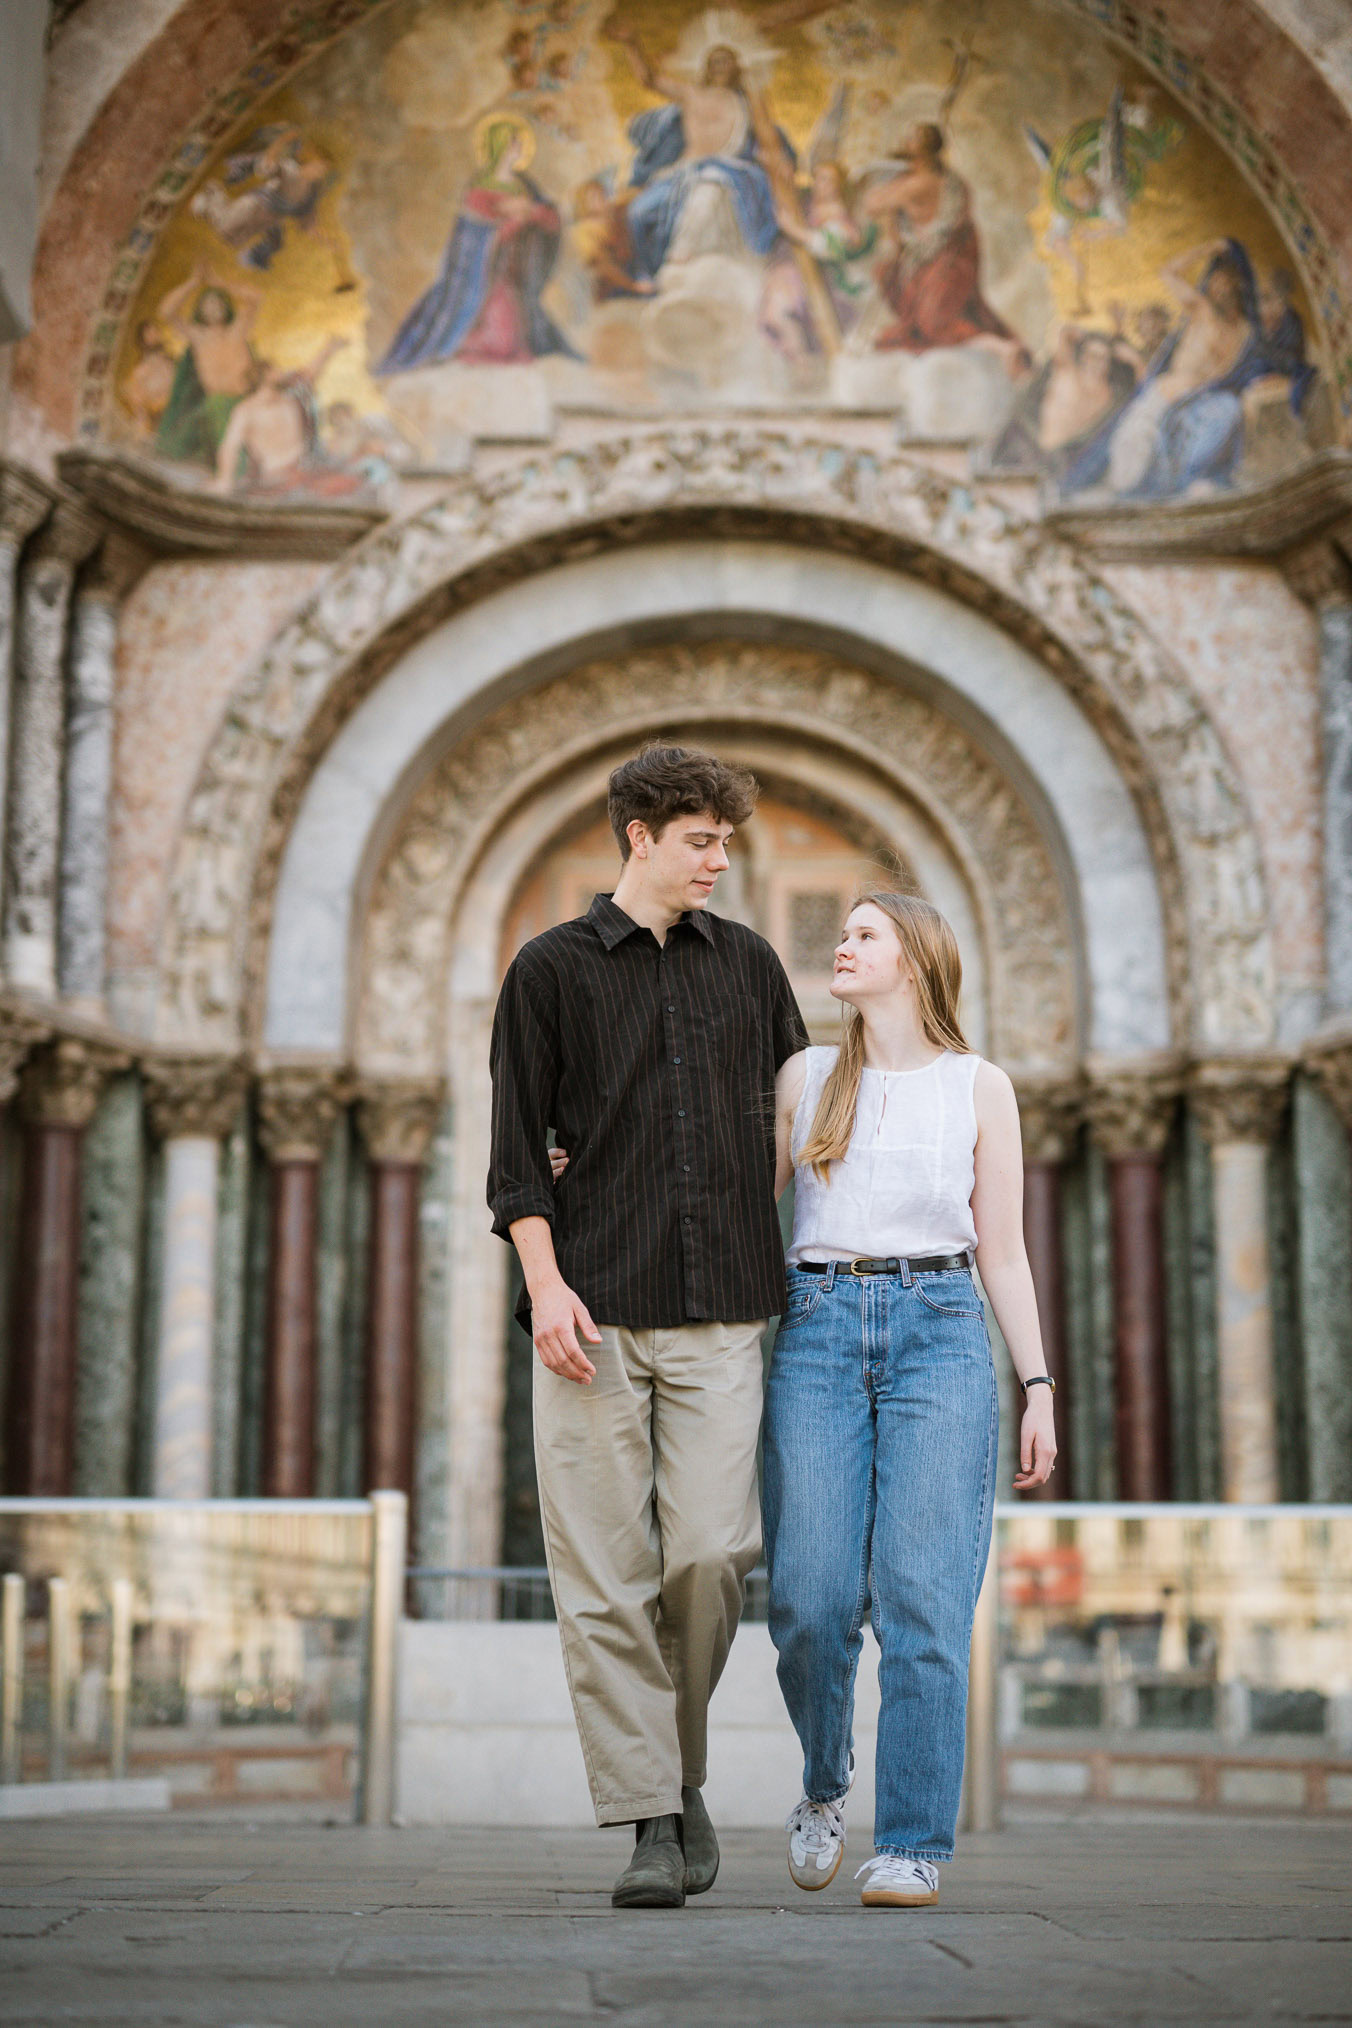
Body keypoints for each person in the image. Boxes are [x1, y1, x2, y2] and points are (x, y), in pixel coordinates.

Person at [488, 745, 808, 1910]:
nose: (718, 861)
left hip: (722, 1305)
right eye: (699, 841)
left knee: (711, 1554)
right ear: (639, 836)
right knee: (602, 1577)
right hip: (589, 1311)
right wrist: (545, 1286)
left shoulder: (751, 964)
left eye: (725, 842)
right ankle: (651, 1821)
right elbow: (514, 1155)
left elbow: (799, 1112)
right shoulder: (548, 970)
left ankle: (673, 1771)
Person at [764, 892, 1056, 1908]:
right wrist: (583, 1170)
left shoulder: (981, 1087)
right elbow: (729, 1204)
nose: (841, 947)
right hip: (817, 1327)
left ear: (917, 961)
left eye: (863, 935)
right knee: (809, 1602)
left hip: (941, 1330)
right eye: (842, 933)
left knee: (924, 1604)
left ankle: (911, 1844)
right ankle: (823, 1782)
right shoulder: (806, 1077)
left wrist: (1037, 1386)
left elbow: (1004, 1252)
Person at [377, 119, 576, 372]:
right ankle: (461, 346)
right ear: (501, 146)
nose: (520, 148)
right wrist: (512, 219)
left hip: (511, 271)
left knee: (512, 333)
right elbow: (474, 234)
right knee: (492, 330)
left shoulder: (524, 185)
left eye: (520, 143)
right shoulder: (480, 188)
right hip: (482, 273)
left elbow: (549, 216)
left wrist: (531, 212)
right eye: (514, 142)